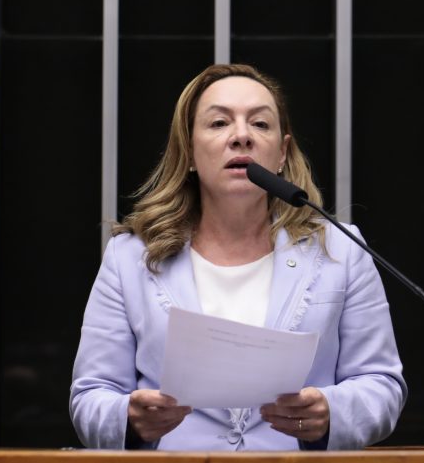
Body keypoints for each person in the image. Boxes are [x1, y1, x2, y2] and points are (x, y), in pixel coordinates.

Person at [69, 64, 407, 451]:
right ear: (190, 152)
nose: (242, 136)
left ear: (282, 152)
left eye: (260, 124)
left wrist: (332, 411)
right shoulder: (129, 258)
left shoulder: (341, 250)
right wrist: (129, 418)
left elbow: (382, 384)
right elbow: (90, 397)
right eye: (218, 123)